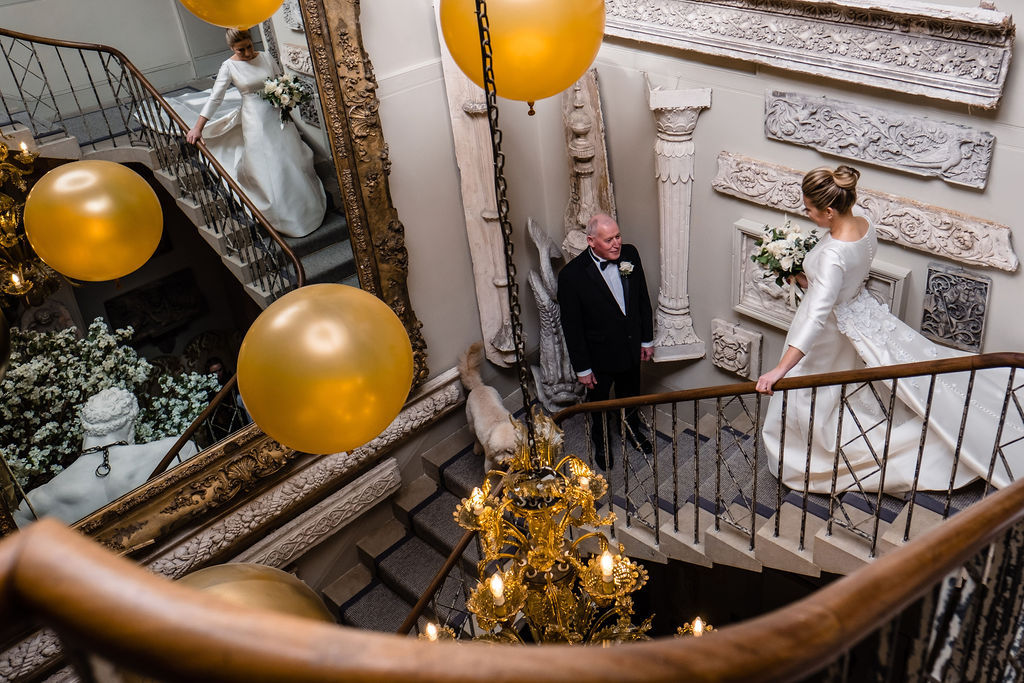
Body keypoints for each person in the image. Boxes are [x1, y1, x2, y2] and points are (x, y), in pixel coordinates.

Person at [755, 165, 1024, 494]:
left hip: (826, 334)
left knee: (807, 394)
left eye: (809, 209)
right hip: (855, 314)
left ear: (828, 211)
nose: (805, 213)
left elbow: (816, 315)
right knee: (845, 391)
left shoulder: (832, 257)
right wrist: (803, 279)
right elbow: (843, 280)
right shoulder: (863, 220)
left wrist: (779, 370)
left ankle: (806, 463)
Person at [185, 28, 326, 238]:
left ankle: (304, 206)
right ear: (232, 48)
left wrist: (286, 97)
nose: (248, 52)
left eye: (249, 46)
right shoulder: (229, 66)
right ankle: (279, 213)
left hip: (277, 115)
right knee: (269, 163)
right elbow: (216, 98)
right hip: (255, 120)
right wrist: (198, 127)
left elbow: (280, 80)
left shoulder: (265, 56)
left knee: (289, 157)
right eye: (241, 50)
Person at [558, 214, 655, 466]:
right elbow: (572, 327)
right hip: (598, 356)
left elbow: (642, 299)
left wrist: (646, 340)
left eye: (618, 236)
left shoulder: (630, 255)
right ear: (591, 241)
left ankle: (631, 430)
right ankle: (600, 443)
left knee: (631, 394)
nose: (616, 244)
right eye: (609, 239)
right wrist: (583, 368)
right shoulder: (571, 276)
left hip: (632, 346)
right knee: (598, 404)